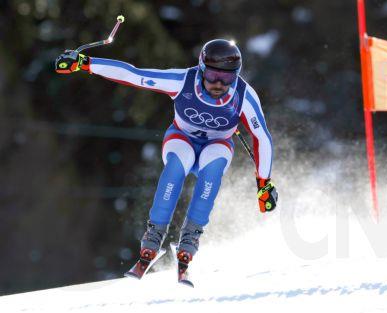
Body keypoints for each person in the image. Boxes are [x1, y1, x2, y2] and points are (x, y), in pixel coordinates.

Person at [55, 39, 278, 270]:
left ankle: (190, 238)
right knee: (175, 169)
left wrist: (264, 184)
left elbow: (262, 137)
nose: (219, 84)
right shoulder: (182, 81)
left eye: (227, 78)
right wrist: (85, 63)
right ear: (202, 68)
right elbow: (133, 74)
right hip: (182, 138)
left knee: (211, 172)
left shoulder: (244, 96)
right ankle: (154, 236)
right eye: (212, 76)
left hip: (217, 144)